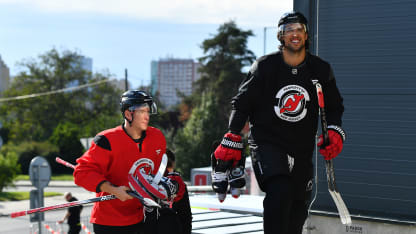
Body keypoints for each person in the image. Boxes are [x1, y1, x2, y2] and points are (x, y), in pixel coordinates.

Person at [211, 11, 345, 234]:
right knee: (280, 192)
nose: (295, 34)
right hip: (267, 143)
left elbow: (334, 107)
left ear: (306, 35)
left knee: (297, 209)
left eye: (299, 29)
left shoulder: (321, 69)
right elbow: (242, 103)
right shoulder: (265, 66)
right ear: (280, 36)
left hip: (301, 147)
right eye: (289, 30)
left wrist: (335, 130)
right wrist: (232, 135)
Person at [74, 90, 169, 234]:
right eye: (142, 111)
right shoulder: (106, 140)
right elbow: (82, 173)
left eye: (148, 111)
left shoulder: (157, 137)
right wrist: (114, 190)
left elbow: (157, 174)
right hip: (110, 222)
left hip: (143, 218)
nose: (147, 116)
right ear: (128, 114)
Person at [143, 149, 192, 234]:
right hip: (172, 227)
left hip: (148, 227)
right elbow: (186, 216)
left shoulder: (146, 181)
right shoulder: (179, 184)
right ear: (173, 164)